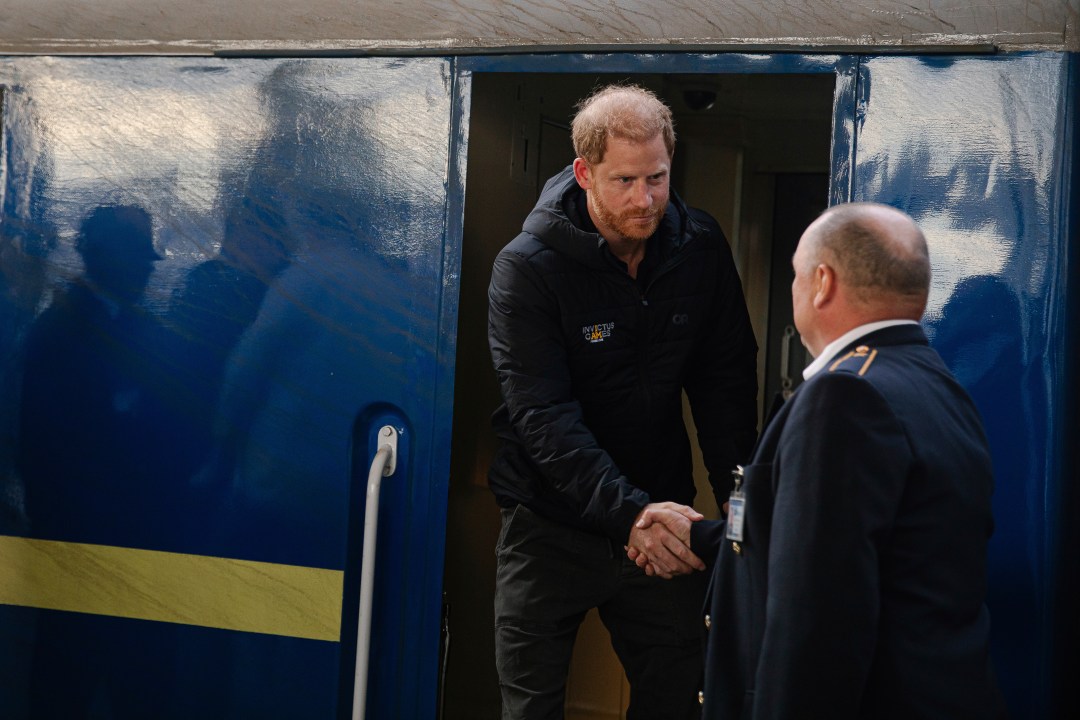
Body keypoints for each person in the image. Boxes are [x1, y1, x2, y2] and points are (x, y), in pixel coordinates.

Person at [632, 202, 1009, 719]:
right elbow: (852, 542)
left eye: (795, 274)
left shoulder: (844, 399)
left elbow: (819, 619)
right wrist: (698, 535)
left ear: (823, 282)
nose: (794, 287)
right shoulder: (936, 386)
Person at [486, 84, 759, 718]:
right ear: (584, 173)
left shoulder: (700, 246)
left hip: (661, 516)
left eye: (658, 178)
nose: (646, 199)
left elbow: (723, 381)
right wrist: (629, 514)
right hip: (547, 523)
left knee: (678, 698)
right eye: (626, 181)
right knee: (530, 709)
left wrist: (735, 501)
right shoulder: (525, 269)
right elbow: (543, 419)